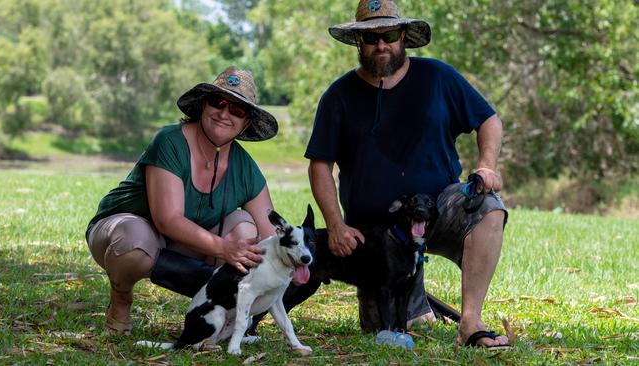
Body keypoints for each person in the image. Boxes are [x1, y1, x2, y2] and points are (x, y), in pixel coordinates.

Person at [304, 0, 509, 348]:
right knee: (384, 329)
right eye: (371, 38)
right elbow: (320, 165)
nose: (380, 45)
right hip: (375, 234)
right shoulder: (338, 95)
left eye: (389, 35)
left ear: (403, 36)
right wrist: (336, 225)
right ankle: (416, 298)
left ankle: (470, 323)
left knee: (490, 208)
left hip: (439, 208)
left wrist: (486, 165)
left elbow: (489, 120)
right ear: (358, 43)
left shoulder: (438, 77)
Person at [85, 66, 279, 335]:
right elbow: (168, 219)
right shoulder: (169, 140)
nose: (224, 113)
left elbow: (271, 236)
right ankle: (121, 298)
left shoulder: (246, 168)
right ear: (203, 105)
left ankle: (223, 313)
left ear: (246, 123)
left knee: (246, 229)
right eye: (218, 102)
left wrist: (291, 264)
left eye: (237, 110)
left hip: (186, 245)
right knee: (133, 241)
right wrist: (223, 248)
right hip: (126, 234)